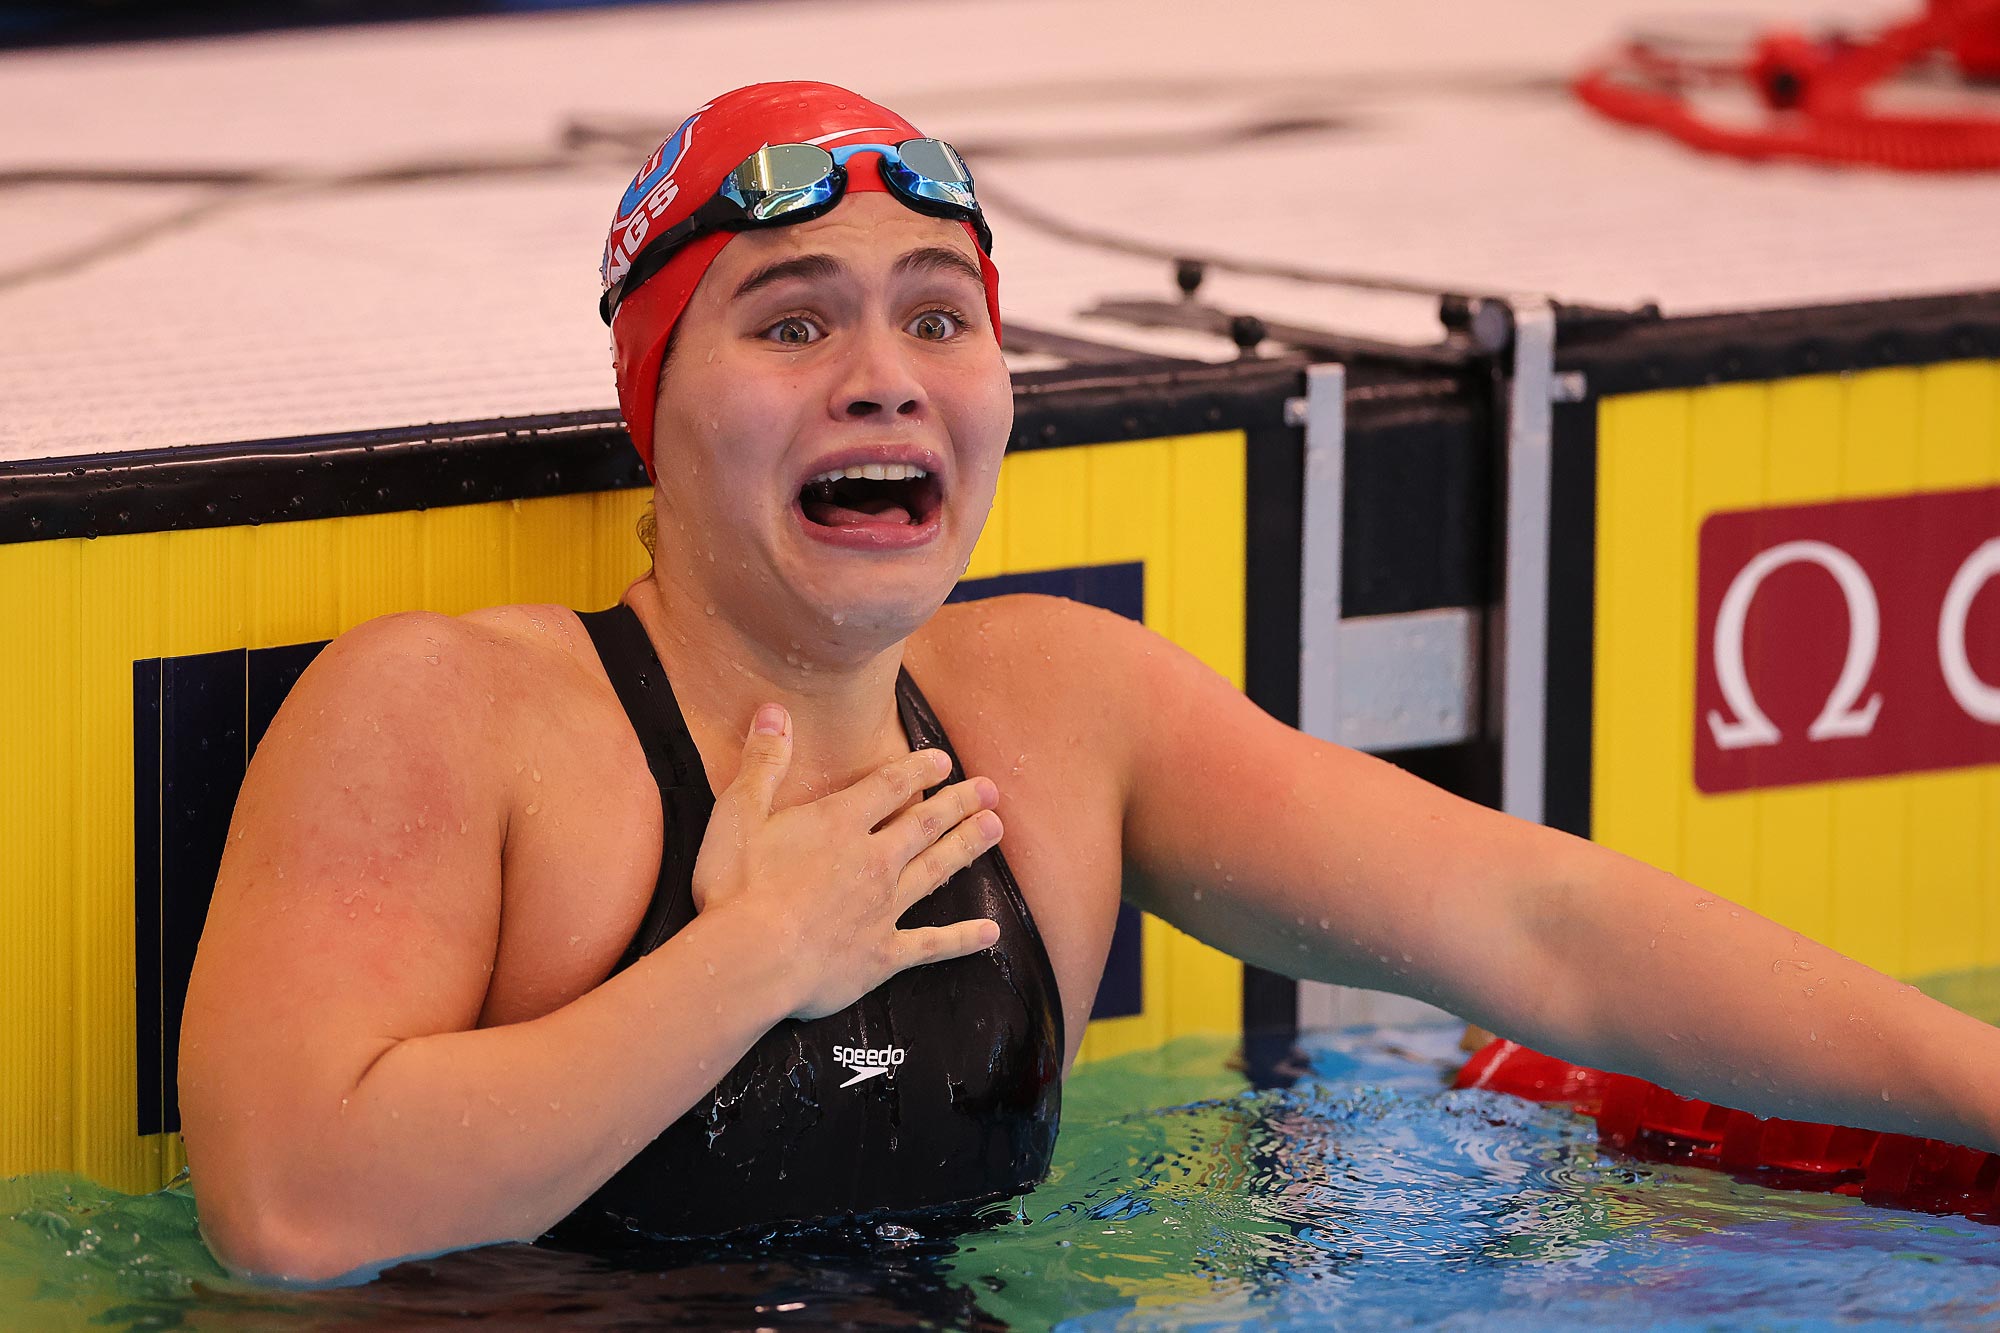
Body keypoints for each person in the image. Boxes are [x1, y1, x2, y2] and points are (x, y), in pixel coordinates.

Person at [178, 81, 2000, 1284]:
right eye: (793, 317)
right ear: (652, 409)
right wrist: (750, 961)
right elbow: (287, 1205)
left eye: (938, 316)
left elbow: (1544, 922)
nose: (884, 373)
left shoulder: (1053, 709)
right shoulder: (457, 718)